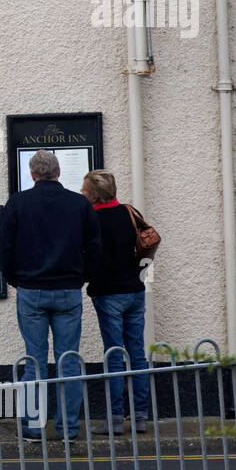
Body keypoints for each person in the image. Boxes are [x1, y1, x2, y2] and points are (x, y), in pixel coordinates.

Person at [0, 150, 102, 441]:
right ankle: (68, 427)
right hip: (68, 290)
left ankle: (33, 426)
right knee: (68, 359)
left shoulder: (18, 203)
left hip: (31, 290)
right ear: (58, 173)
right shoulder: (79, 204)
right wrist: (83, 277)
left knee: (35, 359)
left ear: (32, 174)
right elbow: (94, 248)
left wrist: (14, 280)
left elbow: (4, 248)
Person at [81, 170, 149, 435]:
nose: (81, 194)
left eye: (84, 190)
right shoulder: (129, 212)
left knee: (113, 356)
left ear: (94, 195)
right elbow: (146, 242)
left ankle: (115, 418)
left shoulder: (92, 220)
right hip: (134, 290)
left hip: (108, 293)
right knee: (137, 354)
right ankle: (141, 416)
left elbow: (89, 257)